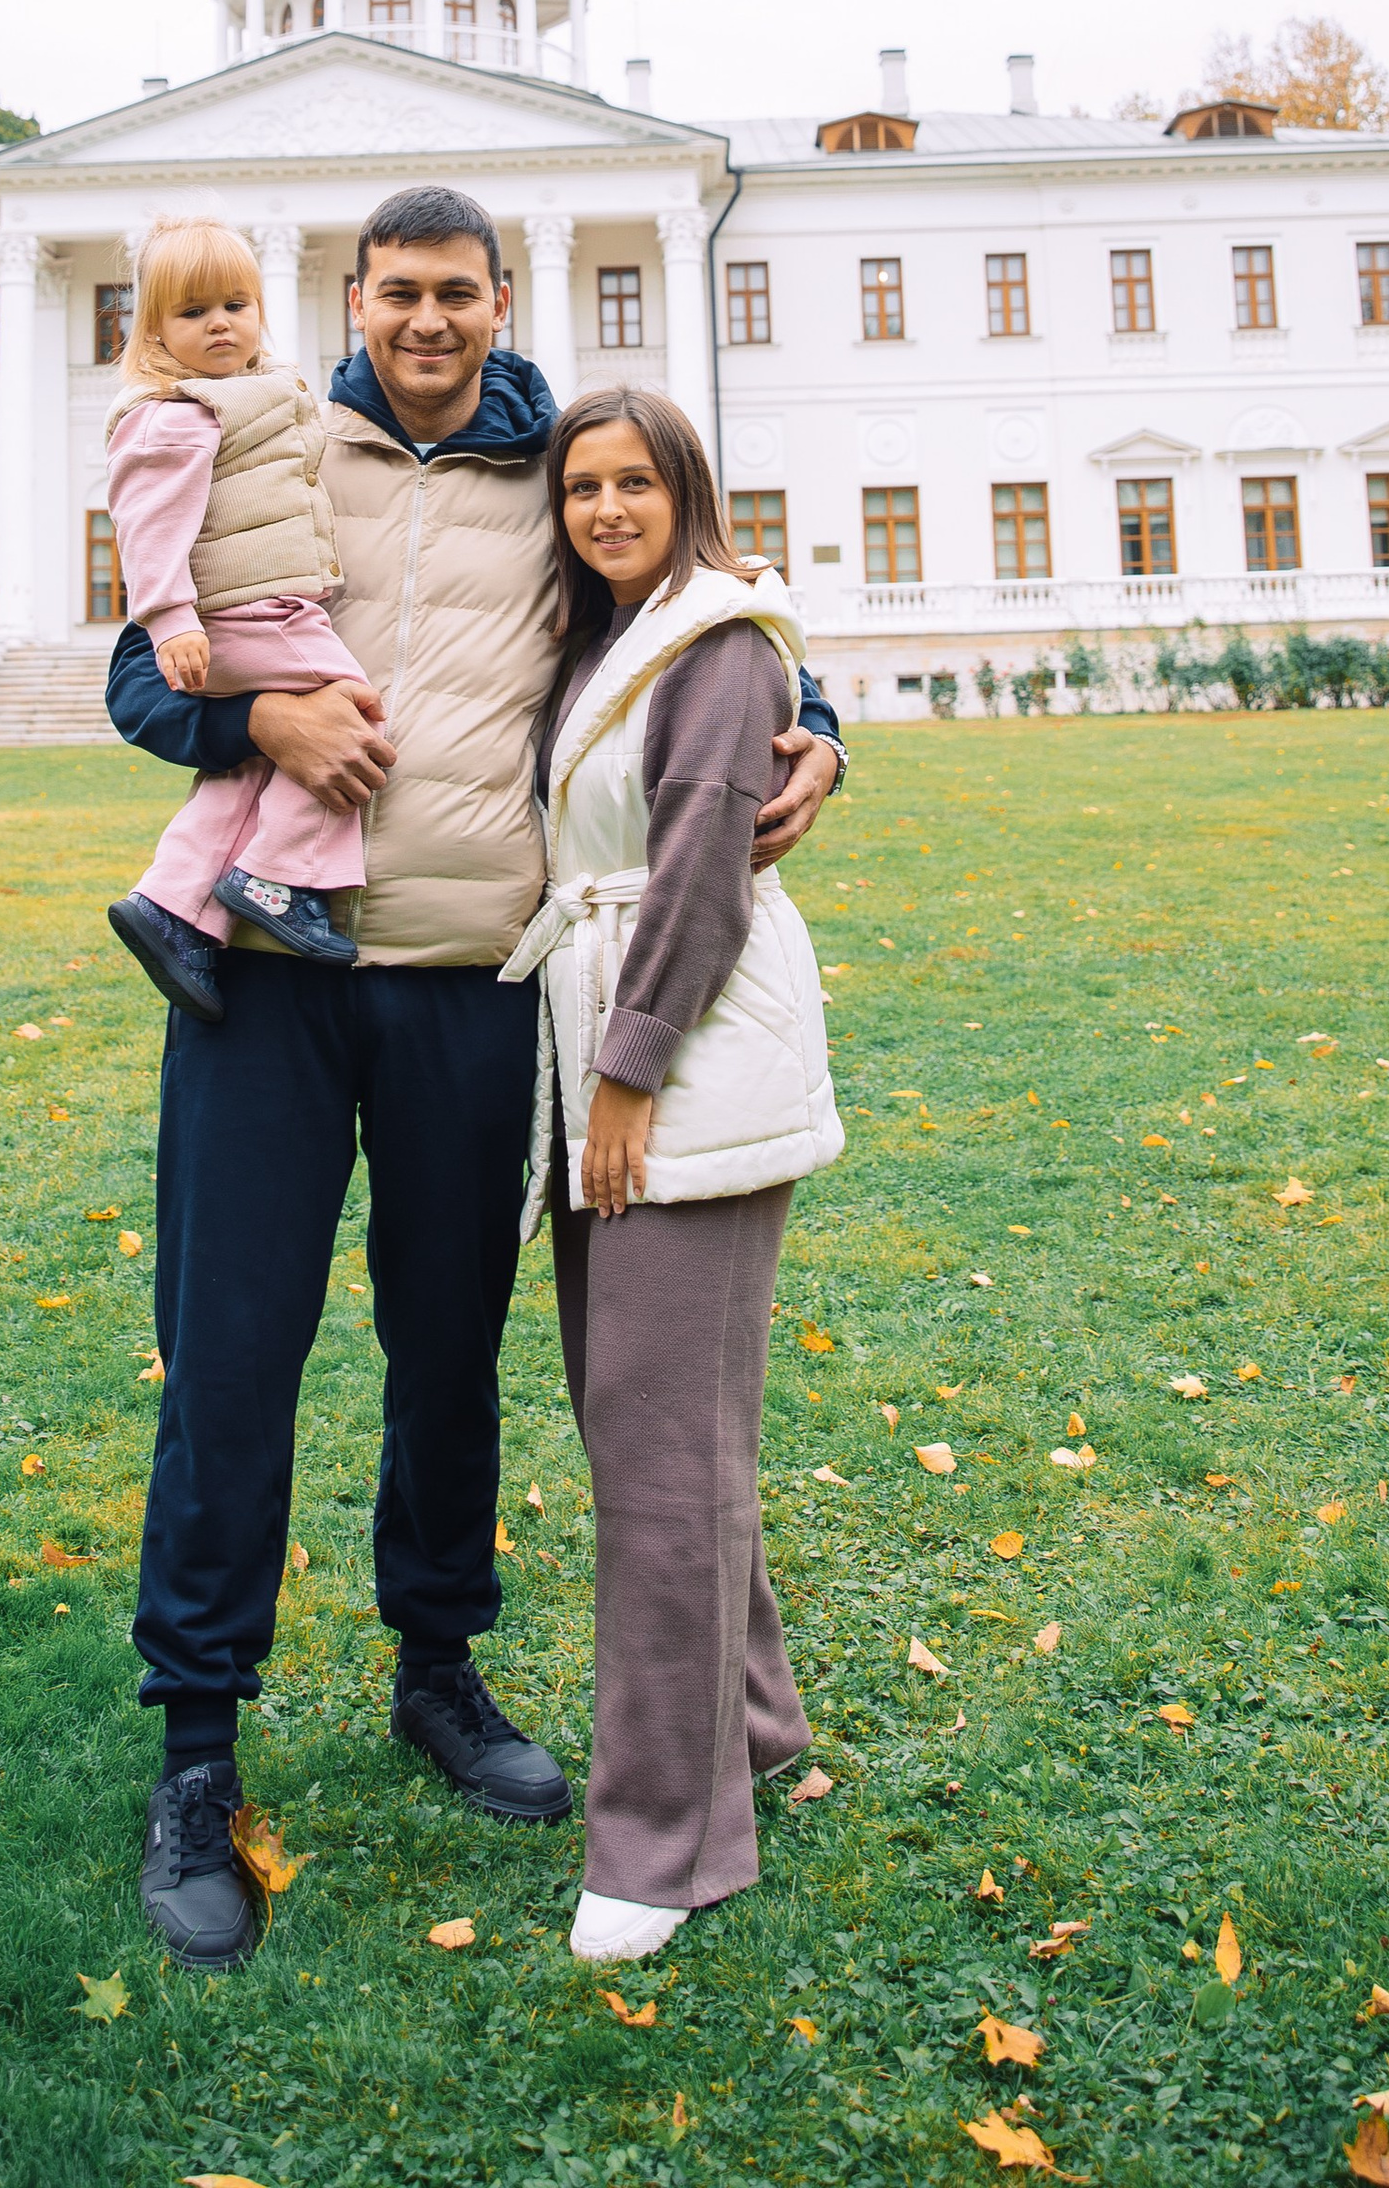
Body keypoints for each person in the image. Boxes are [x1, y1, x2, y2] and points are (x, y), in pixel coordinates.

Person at [105, 185, 847, 1972]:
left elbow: (698, 609)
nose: (426, 321)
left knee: (448, 1358)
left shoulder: (555, 471)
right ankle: (196, 1749)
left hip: (463, 992)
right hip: (270, 986)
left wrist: (829, 727)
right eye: (396, 294)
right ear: (350, 300)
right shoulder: (268, 427)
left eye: (457, 295)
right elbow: (144, 668)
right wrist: (253, 720)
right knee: (227, 1362)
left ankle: (436, 1671)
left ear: (500, 302)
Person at [504, 385, 843, 1964]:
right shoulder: (612, 634)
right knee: (650, 1428)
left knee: (659, 1456)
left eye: (636, 482)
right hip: (607, 1041)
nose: (606, 508)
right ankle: (756, 1727)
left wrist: (629, 1066)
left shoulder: (718, 640)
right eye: (583, 485)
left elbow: (707, 843)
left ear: (685, 490)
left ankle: (665, 1841)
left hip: (675, 1050)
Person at [100, 219, 371, 1019]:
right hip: (244, 616)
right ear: (153, 331)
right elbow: (149, 530)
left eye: (235, 304)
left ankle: (172, 907)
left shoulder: (253, 397)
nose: (220, 324)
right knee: (352, 716)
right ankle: (281, 879)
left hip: (267, 606)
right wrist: (170, 619)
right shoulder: (175, 416)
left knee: (253, 766)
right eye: (192, 313)